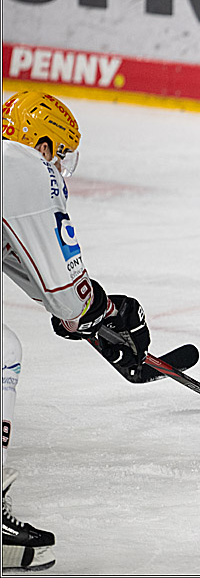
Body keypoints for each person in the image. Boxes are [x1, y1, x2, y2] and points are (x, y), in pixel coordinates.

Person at [2, 92, 155, 570]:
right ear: (42, 143)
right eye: (60, 154)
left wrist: (88, 316)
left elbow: (31, 272)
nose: (60, 167)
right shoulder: (25, 165)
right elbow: (65, 292)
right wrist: (104, 310)